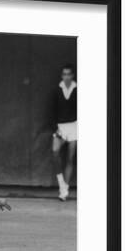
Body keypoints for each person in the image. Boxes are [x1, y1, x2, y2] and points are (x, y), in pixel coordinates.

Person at [52, 64, 77, 201]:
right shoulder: (57, 90)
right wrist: (56, 128)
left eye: (69, 74)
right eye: (64, 74)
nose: (66, 76)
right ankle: (62, 184)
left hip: (74, 126)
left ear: (72, 75)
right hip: (60, 127)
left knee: (70, 158)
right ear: (62, 76)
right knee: (55, 153)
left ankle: (65, 189)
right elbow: (52, 110)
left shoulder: (78, 89)